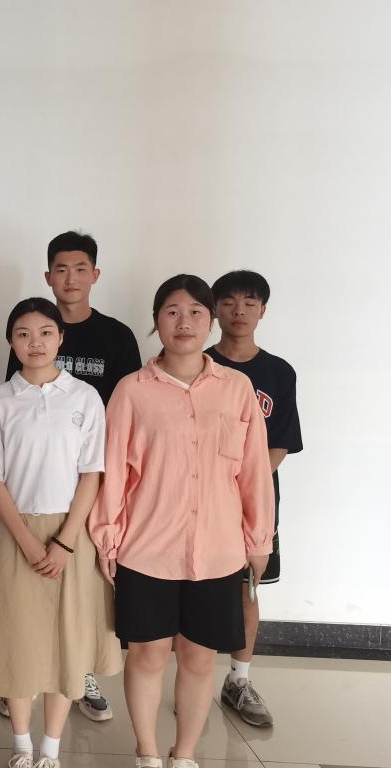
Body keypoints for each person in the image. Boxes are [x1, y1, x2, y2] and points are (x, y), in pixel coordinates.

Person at [88, 274, 275, 768]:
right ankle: (148, 752)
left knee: (198, 656)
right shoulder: (131, 391)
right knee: (147, 655)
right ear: (156, 321)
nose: (184, 322)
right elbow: (113, 474)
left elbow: (254, 471)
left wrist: (259, 540)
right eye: (172, 312)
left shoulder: (237, 389)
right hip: (146, 549)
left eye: (195, 312)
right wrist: (107, 539)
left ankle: (185, 753)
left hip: (217, 550)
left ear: (210, 320)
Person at [0, 298, 122, 768]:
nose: (35, 343)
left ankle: (50, 749)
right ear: (11, 342)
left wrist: (66, 541)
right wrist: (28, 542)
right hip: (14, 533)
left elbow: (92, 473)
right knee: (18, 638)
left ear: (61, 338)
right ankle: (22, 746)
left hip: (72, 533)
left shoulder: (85, 397)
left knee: (66, 642)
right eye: (24, 334)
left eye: (46, 332)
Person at [2, 230, 141, 722]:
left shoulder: (117, 337)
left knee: (81, 594)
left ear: (95, 274)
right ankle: (24, 677)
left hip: (96, 475)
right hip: (37, 487)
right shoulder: (30, 332)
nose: (71, 278)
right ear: (48, 276)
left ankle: (77, 671)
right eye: (61, 269)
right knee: (28, 595)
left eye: (80, 268)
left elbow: (131, 408)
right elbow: (15, 405)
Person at [207, 270, 302, 728]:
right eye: (228, 301)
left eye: (249, 302)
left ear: (263, 310)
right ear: (215, 310)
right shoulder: (197, 363)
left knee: (246, 587)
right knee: (194, 586)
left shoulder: (279, 372)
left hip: (254, 499)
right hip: (200, 497)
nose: (238, 311)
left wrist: (246, 484)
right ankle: (192, 680)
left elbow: (281, 442)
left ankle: (239, 681)